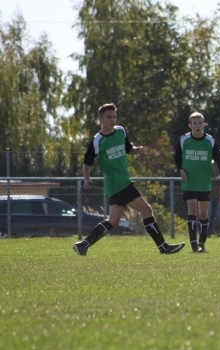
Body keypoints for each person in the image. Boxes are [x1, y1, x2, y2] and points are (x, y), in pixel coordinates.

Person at [73, 103, 185, 256]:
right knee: (147, 210)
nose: (112, 120)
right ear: (100, 119)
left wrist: (137, 150)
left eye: (114, 116)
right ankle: (163, 247)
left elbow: (127, 149)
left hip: (114, 186)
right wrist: (86, 179)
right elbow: (87, 162)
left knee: (113, 221)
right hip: (119, 183)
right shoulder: (97, 140)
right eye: (108, 117)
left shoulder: (120, 131)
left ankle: (83, 245)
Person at [174, 112, 220, 253]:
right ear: (190, 125)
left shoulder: (210, 141)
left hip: (204, 182)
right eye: (195, 123)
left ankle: (202, 243)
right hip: (189, 181)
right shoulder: (184, 139)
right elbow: (177, 156)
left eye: (200, 123)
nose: (197, 126)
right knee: (192, 209)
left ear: (204, 124)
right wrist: (181, 170)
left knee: (203, 212)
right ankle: (193, 244)